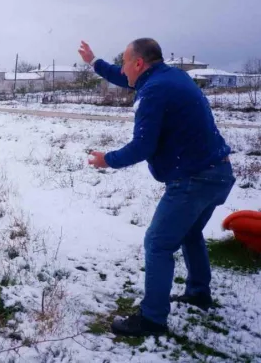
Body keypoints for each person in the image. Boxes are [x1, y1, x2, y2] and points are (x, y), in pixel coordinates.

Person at [79, 39, 235, 336]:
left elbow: (143, 146)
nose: (122, 68)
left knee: (157, 244)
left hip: (193, 178)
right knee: (190, 233)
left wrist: (107, 160)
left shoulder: (153, 92)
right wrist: (94, 62)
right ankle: (199, 292)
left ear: (139, 63)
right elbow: (121, 76)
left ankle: (151, 319)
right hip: (219, 173)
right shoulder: (171, 76)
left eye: (125, 62)